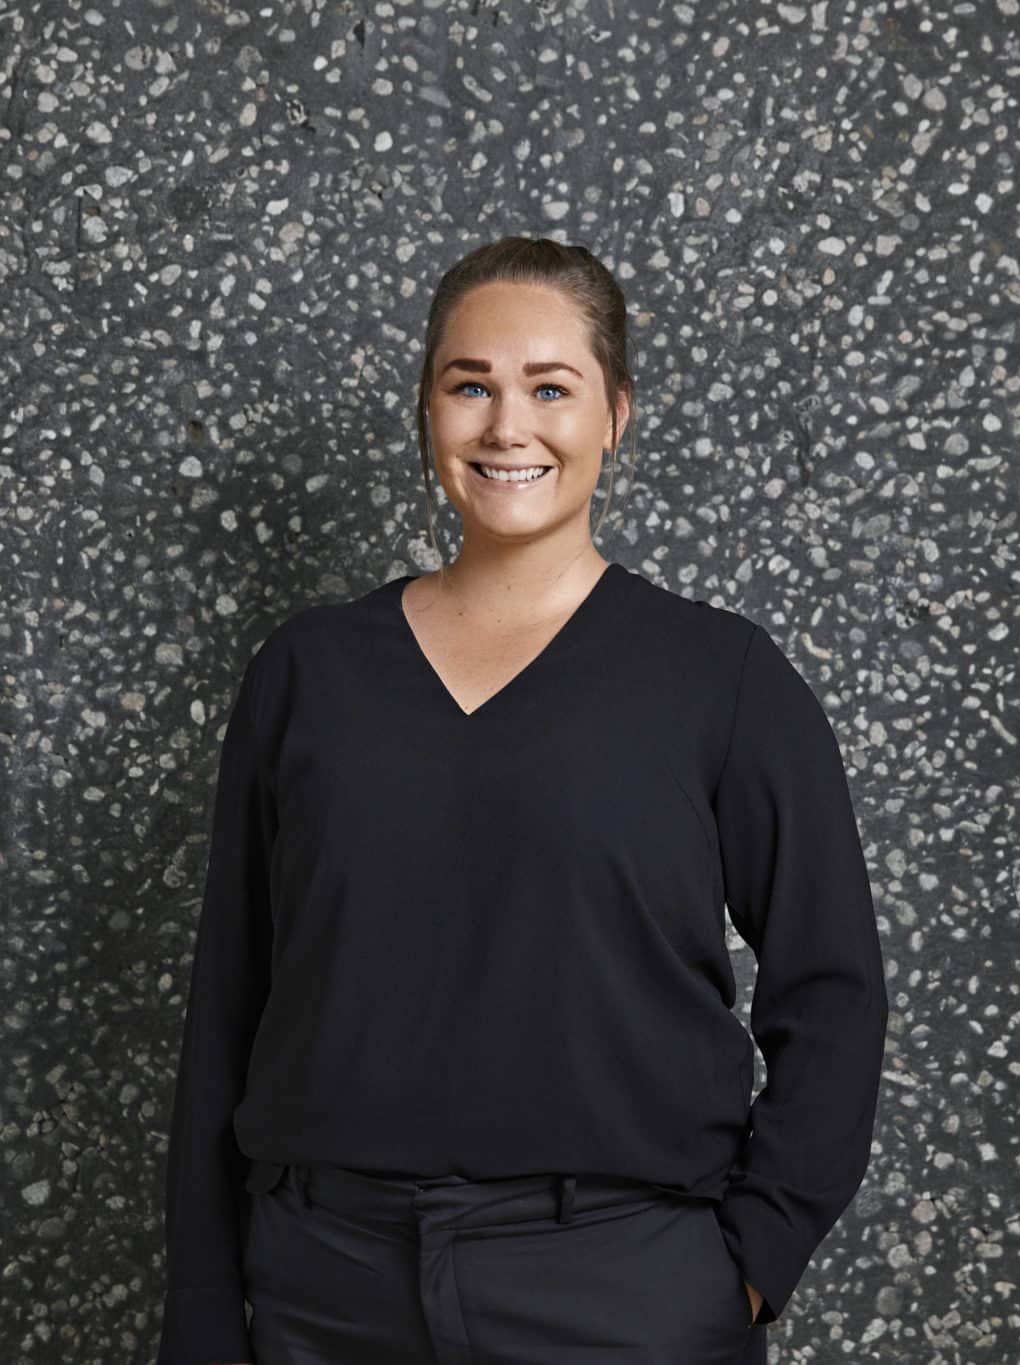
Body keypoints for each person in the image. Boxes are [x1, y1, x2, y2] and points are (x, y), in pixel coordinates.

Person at [156, 236, 888, 1365]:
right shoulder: (308, 673)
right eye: (471, 386)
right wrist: (206, 1301)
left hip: (622, 1290)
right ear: (428, 409)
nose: (508, 426)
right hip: (324, 1288)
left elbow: (833, 985)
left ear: (616, 413)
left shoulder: (722, 679)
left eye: (551, 388)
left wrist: (748, 1262)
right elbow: (230, 996)